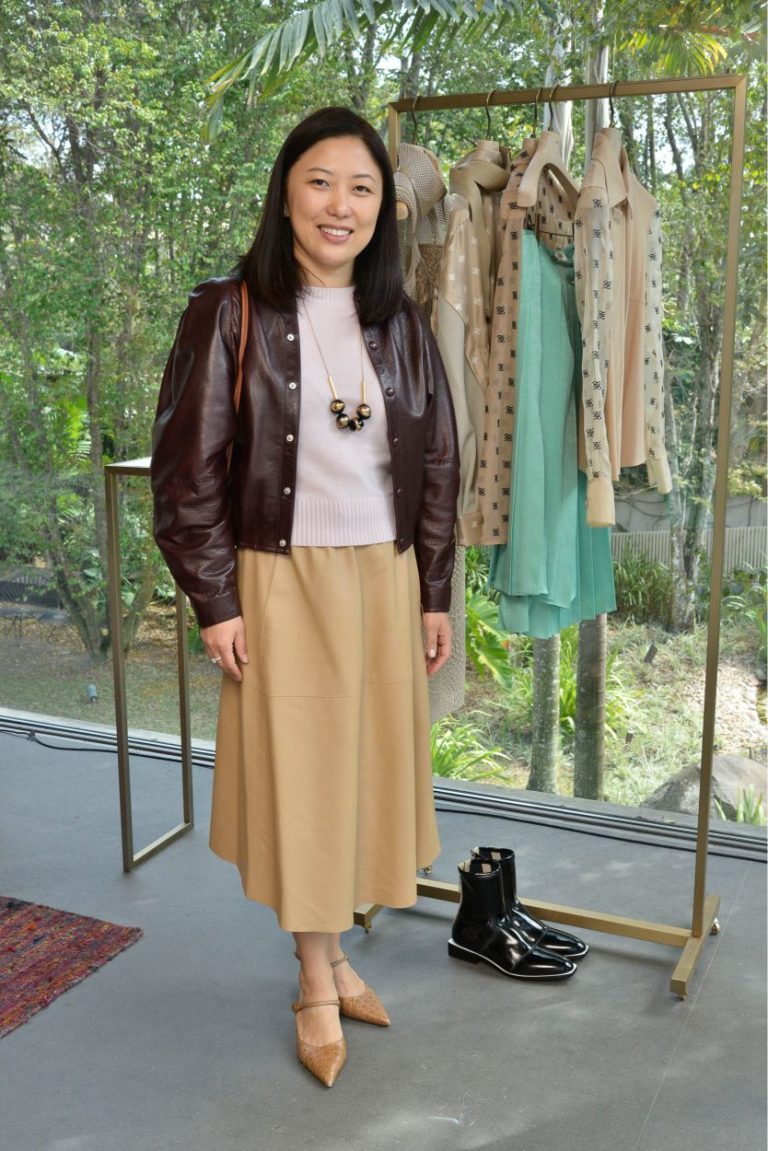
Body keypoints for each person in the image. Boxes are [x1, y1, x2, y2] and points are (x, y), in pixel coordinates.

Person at [151, 106, 459, 1088]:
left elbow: (437, 463)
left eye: (362, 187)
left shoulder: (399, 319)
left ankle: (330, 958)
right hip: (279, 579)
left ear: (382, 209)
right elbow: (185, 473)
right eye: (321, 180)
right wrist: (216, 599)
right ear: (285, 192)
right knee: (304, 784)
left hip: (384, 577)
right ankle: (316, 979)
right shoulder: (228, 308)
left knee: (362, 779)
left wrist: (434, 591)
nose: (340, 204)